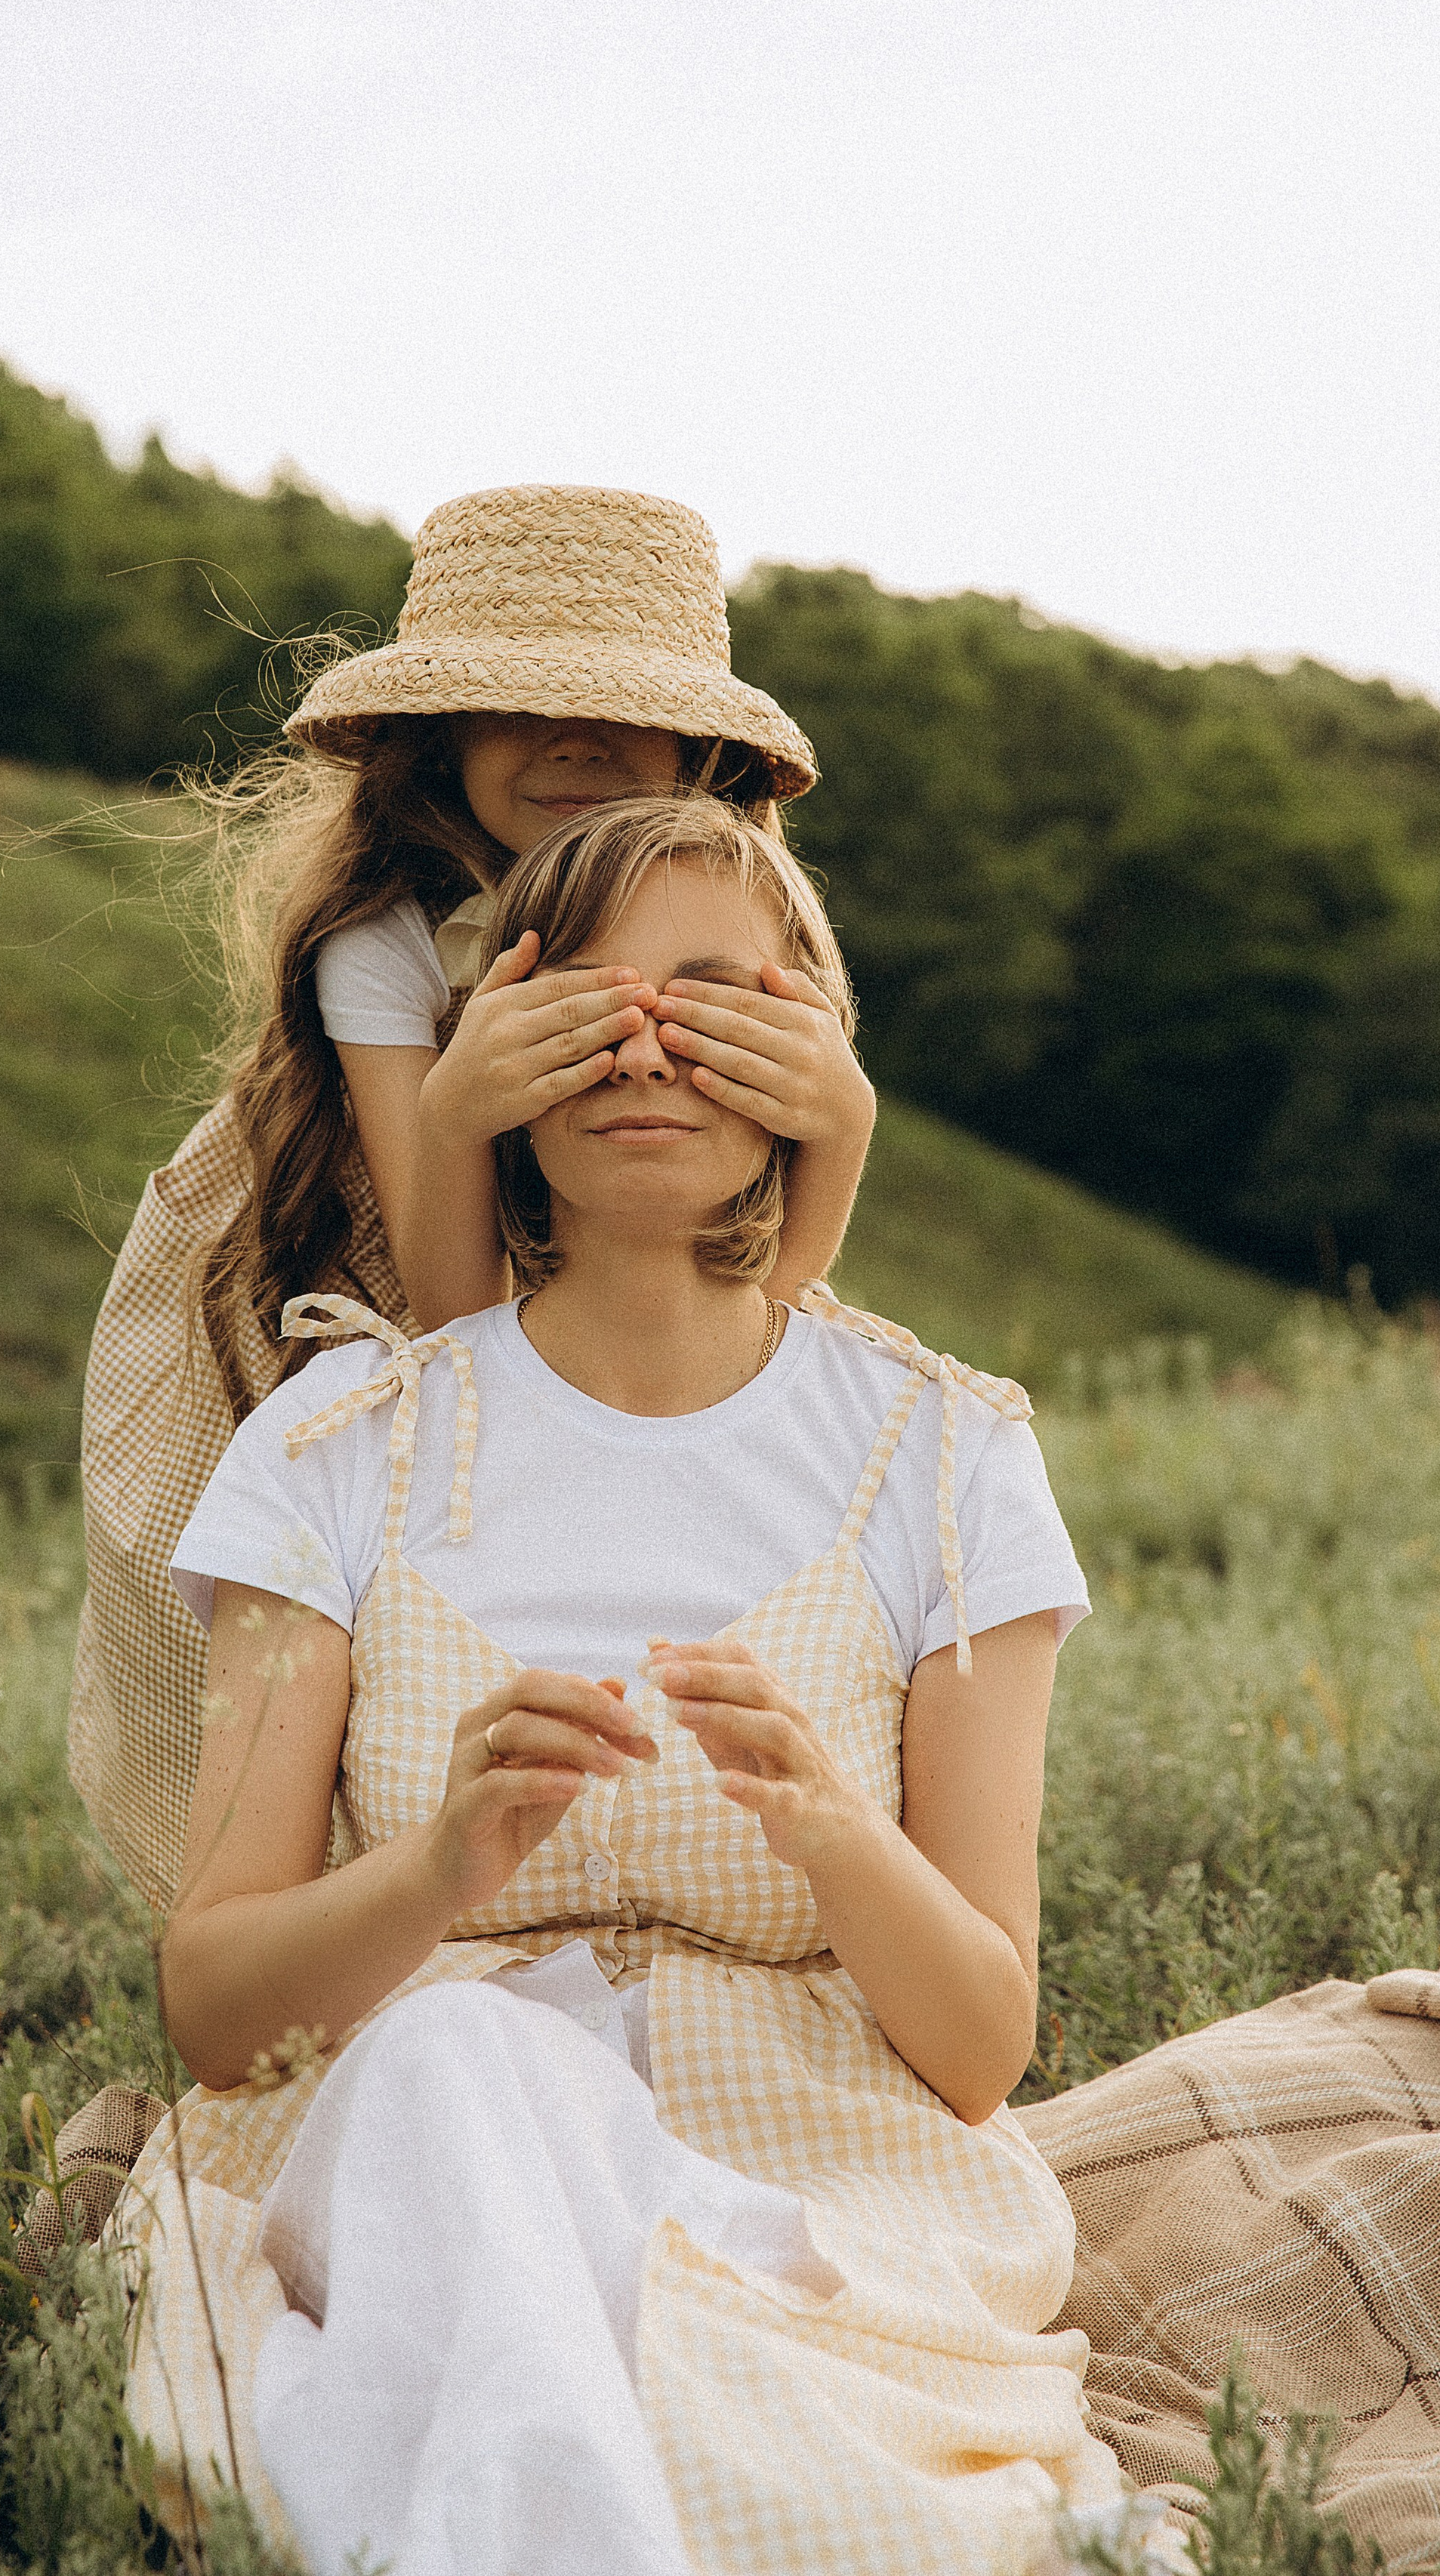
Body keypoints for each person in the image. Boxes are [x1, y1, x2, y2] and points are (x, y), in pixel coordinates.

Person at [120, 792, 1137, 2576]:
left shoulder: (947, 1459)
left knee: (774, 2468)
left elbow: (980, 2046)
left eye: (713, 997)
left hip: (813, 2170)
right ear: (500, 1059)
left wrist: (830, 1828)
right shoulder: (335, 1449)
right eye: (583, 995)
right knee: (460, 2058)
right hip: (413, 2147)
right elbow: (214, 2010)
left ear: (806, 1063)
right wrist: (441, 1865)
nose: (646, 1046)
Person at [70, 484, 875, 1912]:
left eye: (622, 716)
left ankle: (638, 1881)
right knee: (352, 1651)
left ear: (697, 750)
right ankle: (332, 1933)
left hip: (632, 1279)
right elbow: (453, 1314)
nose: (576, 746)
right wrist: (467, 1103)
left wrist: (841, 1124)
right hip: (368, 1277)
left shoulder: (728, 917)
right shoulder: (388, 938)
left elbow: (771, 1292)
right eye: (518, 708)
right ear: (435, 737)